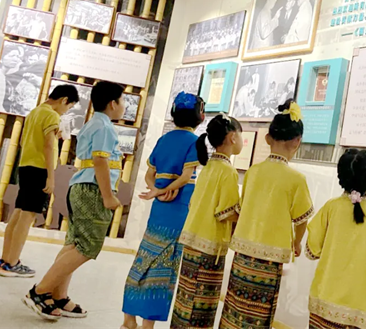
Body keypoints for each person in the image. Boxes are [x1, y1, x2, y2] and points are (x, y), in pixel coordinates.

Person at [23, 81, 125, 321]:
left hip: (81, 186)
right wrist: (108, 196)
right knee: (87, 246)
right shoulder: (104, 126)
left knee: (74, 243)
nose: (124, 106)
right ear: (113, 103)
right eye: (123, 101)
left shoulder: (93, 123)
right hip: (93, 190)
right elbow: (100, 161)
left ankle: (58, 295)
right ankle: (40, 291)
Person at [220, 100, 314, 329]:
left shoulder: (253, 172)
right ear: (297, 141)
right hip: (270, 259)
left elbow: (242, 209)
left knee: (234, 307)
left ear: (268, 138)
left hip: (243, 253)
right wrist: (297, 242)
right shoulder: (296, 180)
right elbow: (302, 219)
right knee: (260, 313)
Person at [121, 92, 205, 329]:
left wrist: (157, 190)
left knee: (144, 257)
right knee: (165, 266)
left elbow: (150, 174)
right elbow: (186, 177)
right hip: (179, 209)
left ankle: (128, 319)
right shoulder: (194, 142)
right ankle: (148, 325)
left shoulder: (164, 139)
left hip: (159, 207)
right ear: (198, 115)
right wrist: (167, 189)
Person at [306, 149, 366, 329]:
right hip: (360, 310)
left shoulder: (331, 207)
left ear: (341, 178)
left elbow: (311, 251)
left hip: (323, 304)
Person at [0, 85, 79, 278]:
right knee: (27, 217)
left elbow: (29, 141)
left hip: (26, 166)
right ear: (64, 100)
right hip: (39, 169)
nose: (66, 111)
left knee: (18, 214)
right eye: (69, 107)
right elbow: (49, 146)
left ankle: (4, 260)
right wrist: (51, 176)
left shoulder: (35, 112)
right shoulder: (52, 115)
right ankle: (12, 263)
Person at [171, 114, 243, 328]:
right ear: (232, 137)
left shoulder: (208, 167)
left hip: (192, 239)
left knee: (185, 299)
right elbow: (226, 212)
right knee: (201, 306)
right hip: (210, 245)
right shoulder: (228, 172)